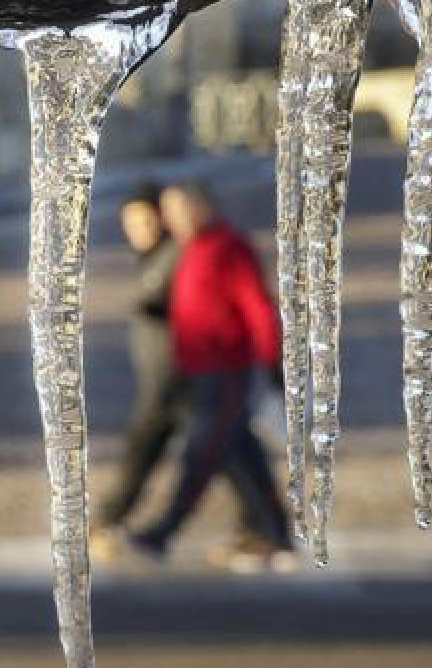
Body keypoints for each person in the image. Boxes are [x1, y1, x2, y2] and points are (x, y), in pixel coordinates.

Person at [129, 181, 293, 571]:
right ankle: (271, 531)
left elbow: (258, 307)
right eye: (169, 213)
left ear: (202, 207)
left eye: (181, 210)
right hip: (200, 372)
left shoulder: (228, 247)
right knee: (239, 457)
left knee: (201, 455)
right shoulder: (191, 250)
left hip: (227, 371)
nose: (174, 220)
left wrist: (272, 363)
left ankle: (163, 531)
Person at [93, 183, 182, 554]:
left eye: (146, 220)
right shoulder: (156, 257)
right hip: (165, 377)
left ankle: (108, 520)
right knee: (231, 454)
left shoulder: (174, 256)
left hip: (176, 377)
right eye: (131, 223)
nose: (139, 230)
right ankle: (262, 525)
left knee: (143, 449)